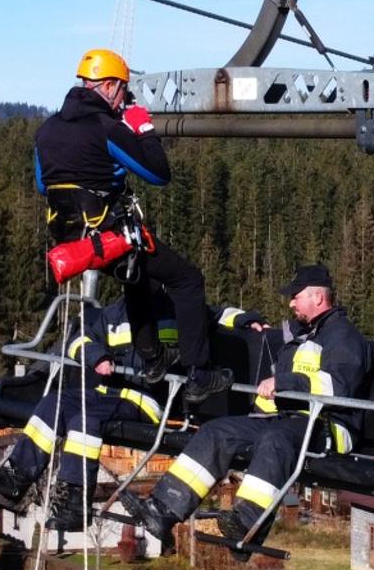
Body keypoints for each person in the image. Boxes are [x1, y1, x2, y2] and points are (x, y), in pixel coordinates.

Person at [119, 264, 367, 553]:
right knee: (217, 431)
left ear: (318, 298)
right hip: (287, 420)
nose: (290, 303)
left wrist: (284, 382)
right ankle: (163, 509)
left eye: (295, 296)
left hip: (329, 426)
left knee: (275, 440)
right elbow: (212, 315)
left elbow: (339, 387)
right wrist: (248, 324)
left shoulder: (342, 337)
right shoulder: (302, 334)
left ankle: (248, 524)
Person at [0, 294, 268, 532]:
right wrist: (95, 356)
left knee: (84, 420)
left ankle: (76, 501)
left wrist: (247, 319)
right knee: (54, 403)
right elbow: (79, 340)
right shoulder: (113, 314)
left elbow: (215, 315)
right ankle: (17, 476)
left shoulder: (173, 309)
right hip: (106, 393)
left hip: (145, 401)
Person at [32, 48, 231, 401]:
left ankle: (152, 358)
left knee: (138, 277)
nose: (123, 98)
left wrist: (101, 171)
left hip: (68, 237)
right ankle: (200, 371)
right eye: (122, 90)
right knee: (187, 279)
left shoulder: (46, 131)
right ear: (108, 87)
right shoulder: (105, 127)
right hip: (106, 233)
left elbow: (43, 183)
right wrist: (142, 129)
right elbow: (158, 173)